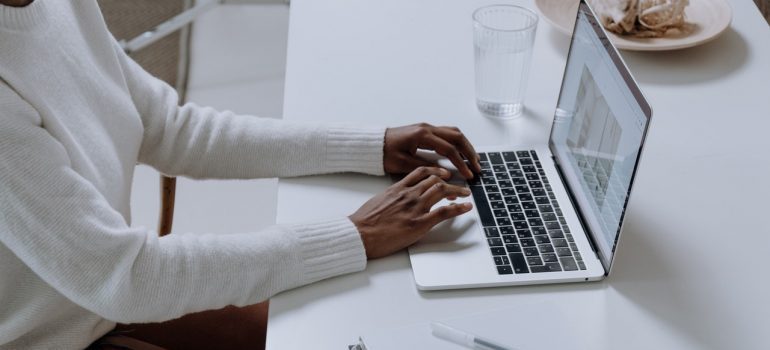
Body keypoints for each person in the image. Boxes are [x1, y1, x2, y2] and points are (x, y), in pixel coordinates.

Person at [0, 1, 481, 349]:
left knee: (337, 328)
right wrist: (357, 233)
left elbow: (170, 128)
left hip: (95, 305)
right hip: (57, 330)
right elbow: (130, 278)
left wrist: (368, 145)